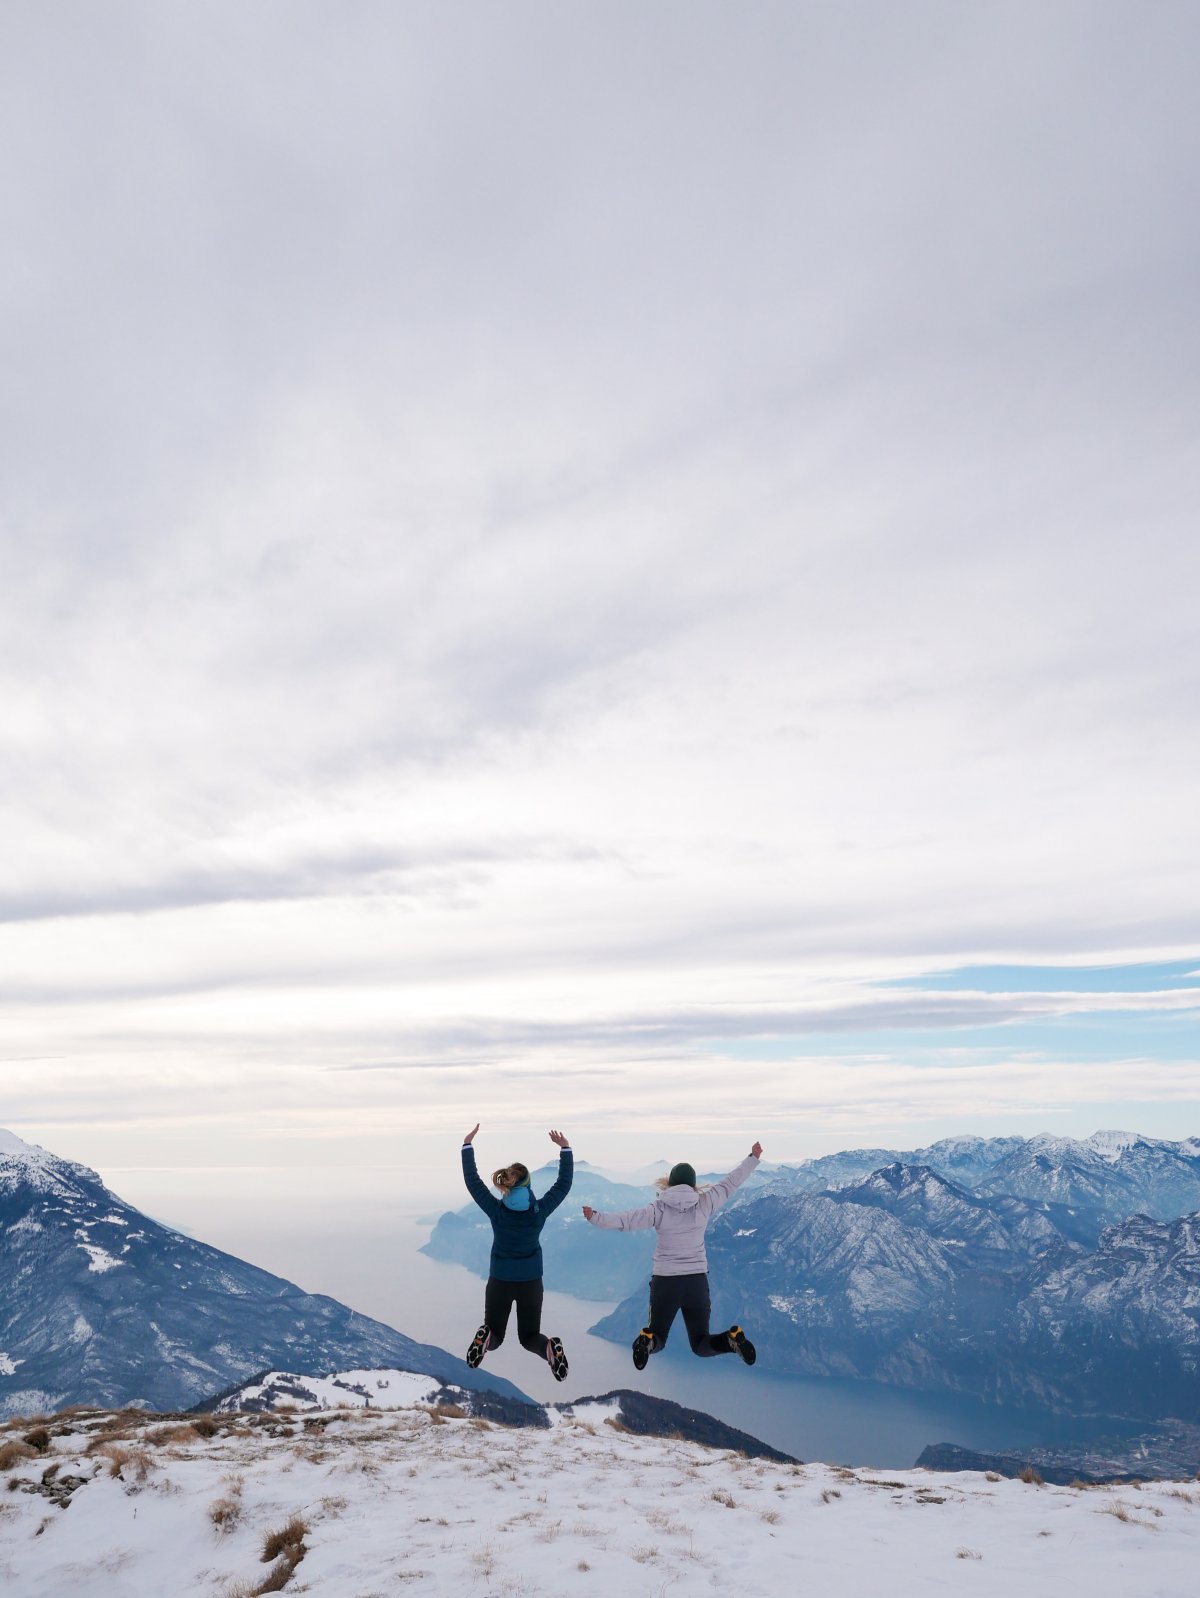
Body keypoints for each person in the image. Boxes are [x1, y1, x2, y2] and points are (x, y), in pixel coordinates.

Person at [582, 1142, 762, 1370]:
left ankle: (647, 1342)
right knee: (701, 1344)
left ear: (671, 1182)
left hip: (665, 1283)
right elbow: (730, 1183)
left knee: (658, 1336)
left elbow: (627, 1220)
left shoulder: (659, 1208)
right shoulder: (705, 1203)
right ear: (693, 1184)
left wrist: (596, 1217)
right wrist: (752, 1159)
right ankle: (731, 1340)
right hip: (696, 1282)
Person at [460, 1122, 573, 1381]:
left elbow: (473, 1183)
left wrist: (467, 1145)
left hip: (500, 1279)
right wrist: (565, 1149)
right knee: (529, 1336)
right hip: (531, 1282)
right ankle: (548, 1349)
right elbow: (563, 1185)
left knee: (495, 1333)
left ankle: (485, 1338)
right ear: (528, 1185)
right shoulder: (539, 1211)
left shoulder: (497, 1211)